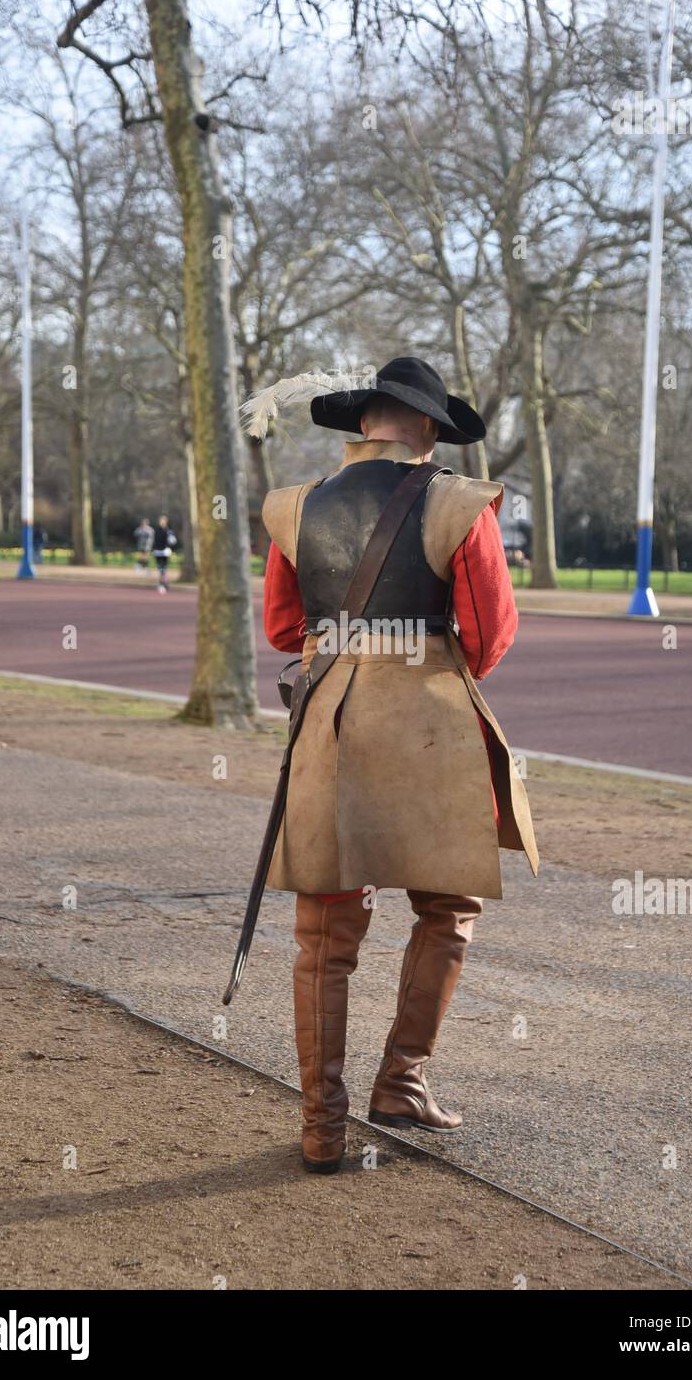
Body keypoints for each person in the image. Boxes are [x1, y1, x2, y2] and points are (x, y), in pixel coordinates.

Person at [259, 355, 539, 1174]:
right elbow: (489, 638)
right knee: (447, 907)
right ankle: (402, 1083)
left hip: (329, 720)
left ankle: (322, 1125)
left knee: (324, 933)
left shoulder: (294, 505)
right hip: (428, 724)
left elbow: (284, 630)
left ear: (367, 422)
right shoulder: (460, 499)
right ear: (426, 427)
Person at [152, 515, 176, 593]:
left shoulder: (168, 531)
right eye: (161, 521)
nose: (162, 522)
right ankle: (162, 583)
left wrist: (170, 547)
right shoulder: (156, 530)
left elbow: (172, 541)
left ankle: (163, 583)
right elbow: (154, 541)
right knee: (160, 568)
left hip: (165, 551)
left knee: (164, 568)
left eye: (164, 521)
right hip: (157, 551)